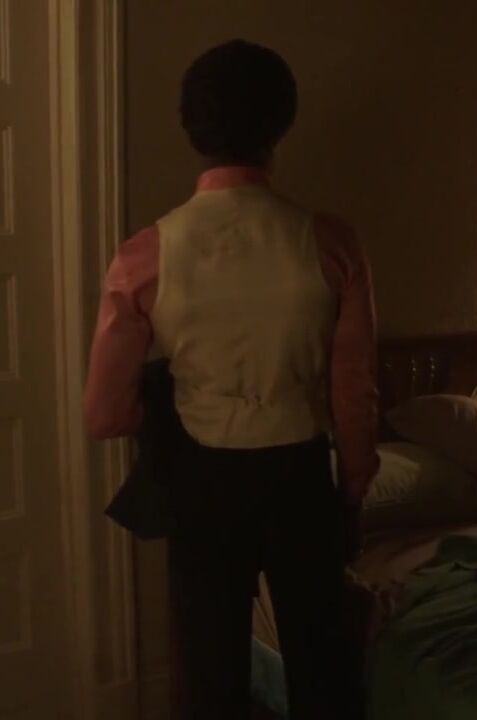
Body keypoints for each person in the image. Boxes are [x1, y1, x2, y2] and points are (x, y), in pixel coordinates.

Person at [83, 39, 377, 719]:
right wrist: (354, 483)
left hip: (204, 480)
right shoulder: (333, 245)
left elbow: (104, 415)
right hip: (300, 473)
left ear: (194, 129)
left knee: (210, 678)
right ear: (281, 124)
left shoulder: (144, 256)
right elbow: (354, 391)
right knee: (324, 673)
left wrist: (172, 399)